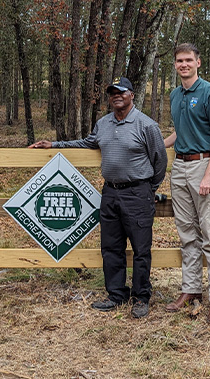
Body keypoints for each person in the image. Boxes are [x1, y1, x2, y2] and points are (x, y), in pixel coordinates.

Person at [30, 77, 167, 319]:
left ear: (132, 95)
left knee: (140, 249)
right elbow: (88, 142)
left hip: (138, 193)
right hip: (110, 192)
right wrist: (54, 144)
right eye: (112, 92)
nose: (116, 96)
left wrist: (149, 189)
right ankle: (116, 294)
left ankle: (141, 297)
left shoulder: (146, 125)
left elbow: (160, 161)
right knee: (111, 247)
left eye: (121, 92)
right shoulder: (103, 123)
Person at [164, 43, 210, 325]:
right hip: (179, 166)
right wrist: (153, 144)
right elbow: (179, 132)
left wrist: (209, 175)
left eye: (189, 60)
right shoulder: (175, 94)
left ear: (198, 63)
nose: (184, 64)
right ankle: (190, 290)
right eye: (179, 61)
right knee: (187, 233)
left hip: (204, 165)